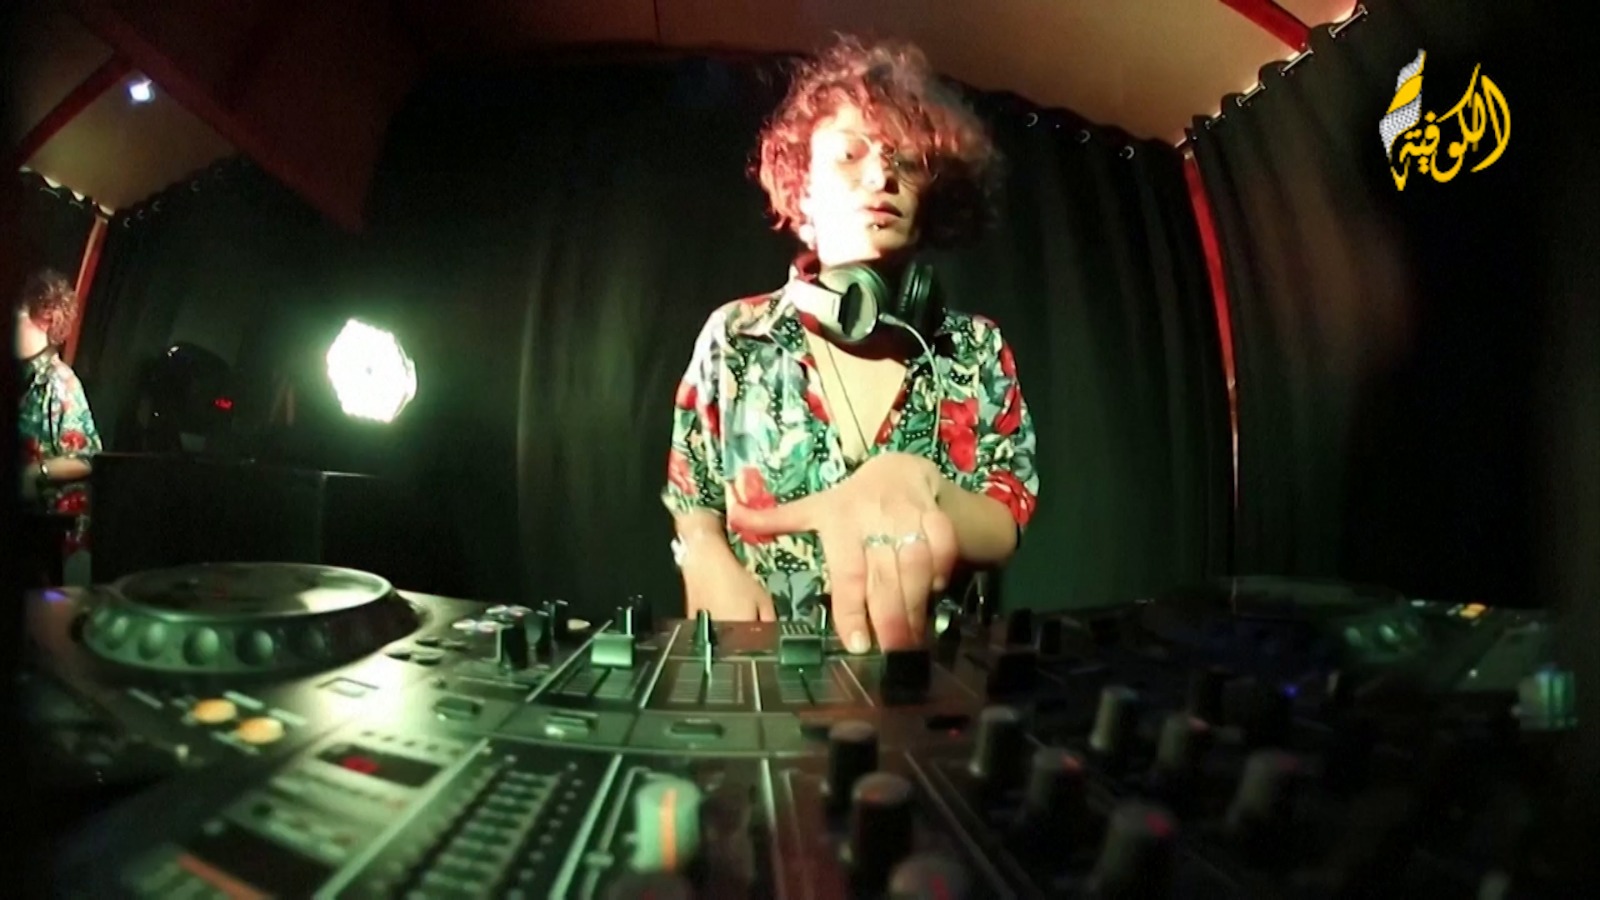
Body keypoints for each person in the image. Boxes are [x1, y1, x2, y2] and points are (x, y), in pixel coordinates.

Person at [661, 37, 1040, 652]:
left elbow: (1006, 514)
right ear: (802, 189)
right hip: (767, 671)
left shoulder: (975, 347)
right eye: (848, 154)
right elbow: (691, 490)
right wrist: (701, 550)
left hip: (933, 675)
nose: (881, 175)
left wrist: (922, 482)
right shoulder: (736, 336)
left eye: (907, 162)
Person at [16, 269, 102, 573]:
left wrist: (34, 472)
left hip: (48, 539)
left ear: (47, 319)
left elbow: (87, 458)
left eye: (20, 315)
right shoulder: (21, 377)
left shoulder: (61, 384)